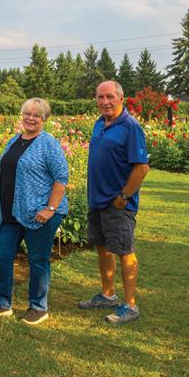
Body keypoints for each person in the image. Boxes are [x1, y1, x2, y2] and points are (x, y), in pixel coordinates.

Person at [0, 98, 69, 325]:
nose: (30, 118)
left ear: (44, 119)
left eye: (36, 115)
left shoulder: (48, 144)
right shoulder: (14, 141)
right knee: (2, 254)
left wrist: (50, 208)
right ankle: (1, 303)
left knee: (37, 259)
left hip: (39, 213)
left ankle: (38, 307)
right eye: (27, 113)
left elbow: (61, 177)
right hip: (10, 213)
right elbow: (3, 174)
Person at [79, 80, 149, 324]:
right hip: (97, 200)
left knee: (124, 251)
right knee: (103, 247)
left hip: (117, 203)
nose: (105, 101)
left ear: (121, 98)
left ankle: (130, 305)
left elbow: (141, 168)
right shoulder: (100, 123)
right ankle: (108, 294)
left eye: (110, 96)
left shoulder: (130, 127)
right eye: (100, 97)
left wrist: (123, 197)